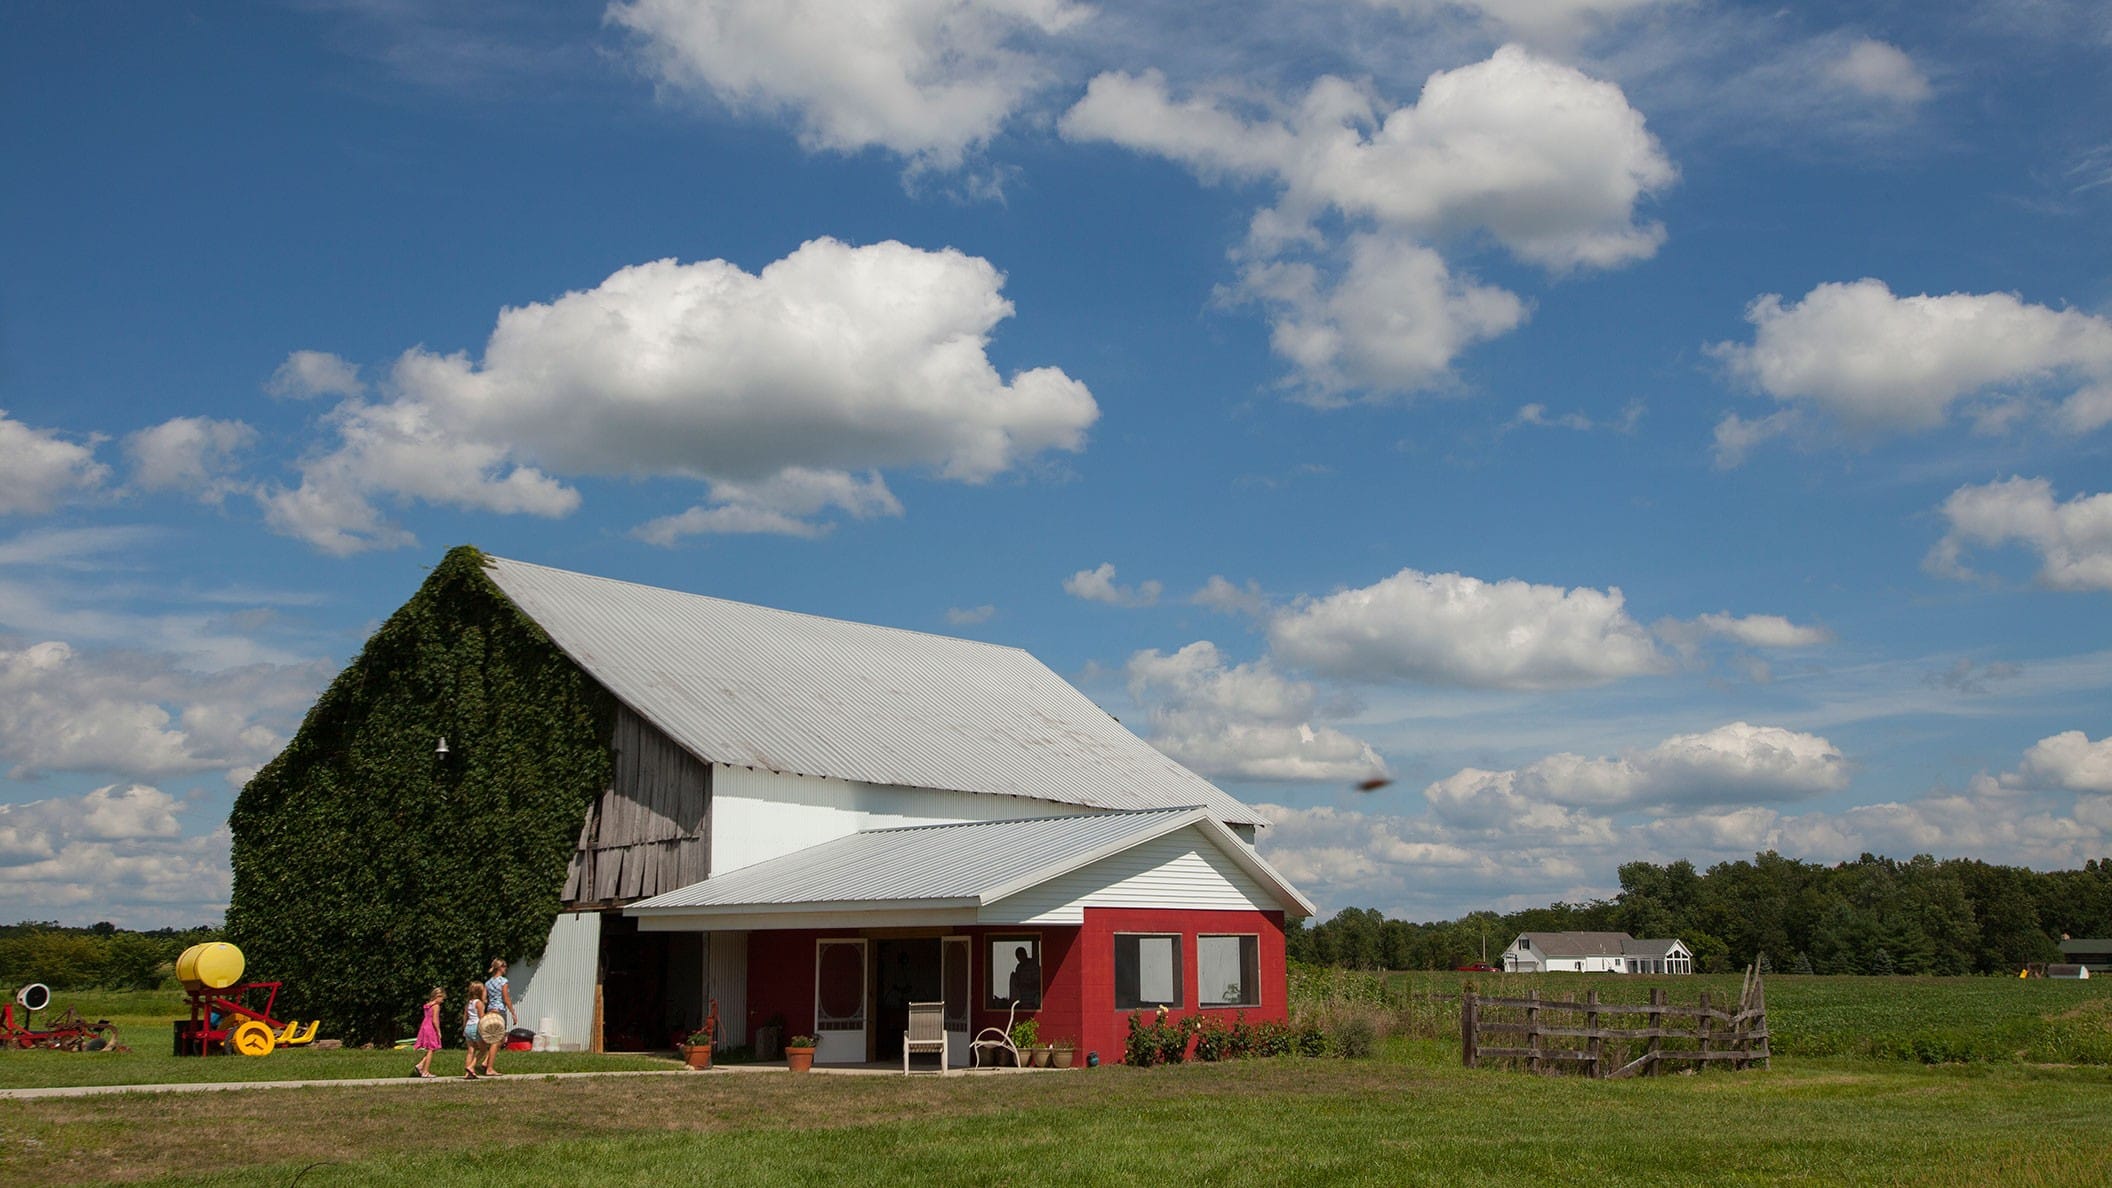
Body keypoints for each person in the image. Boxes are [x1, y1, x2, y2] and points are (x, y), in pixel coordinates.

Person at [483, 958, 516, 1076]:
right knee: (497, 1040)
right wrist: (513, 1012)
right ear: (500, 968)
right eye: (504, 966)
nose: (506, 968)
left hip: (490, 1010)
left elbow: (484, 999)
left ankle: (486, 1061)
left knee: (498, 1039)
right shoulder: (503, 981)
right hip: (500, 1010)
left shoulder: (488, 983)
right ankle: (489, 1068)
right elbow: (506, 998)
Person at [411, 985, 443, 1079]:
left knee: (431, 1049)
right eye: (442, 998)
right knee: (431, 1049)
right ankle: (425, 1071)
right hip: (431, 1028)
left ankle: (420, 1065)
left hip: (424, 1027)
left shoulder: (428, 1005)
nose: (442, 1001)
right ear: (438, 997)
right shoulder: (436, 1006)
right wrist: (438, 1031)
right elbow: (435, 1020)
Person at [463, 979, 487, 1079]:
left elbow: (465, 1017)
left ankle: (467, 1074)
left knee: (470, 1051)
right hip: (476, 1027)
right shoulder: (479, 1003)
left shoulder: (469, 1003)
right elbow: (481, 1018)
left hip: (468, 1027)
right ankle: (471, 1067)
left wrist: (464, 1029)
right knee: (483, 1050)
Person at [1009, 945, 1041, 1009]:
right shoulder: (1019, 967)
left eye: (1021, 955)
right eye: (1018, 957)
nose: (1020, 958)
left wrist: (1026, 985)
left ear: (1025, 954)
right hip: (1021, 997)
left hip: (1032, 997)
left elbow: (1038, 982)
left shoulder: (1033, 965)